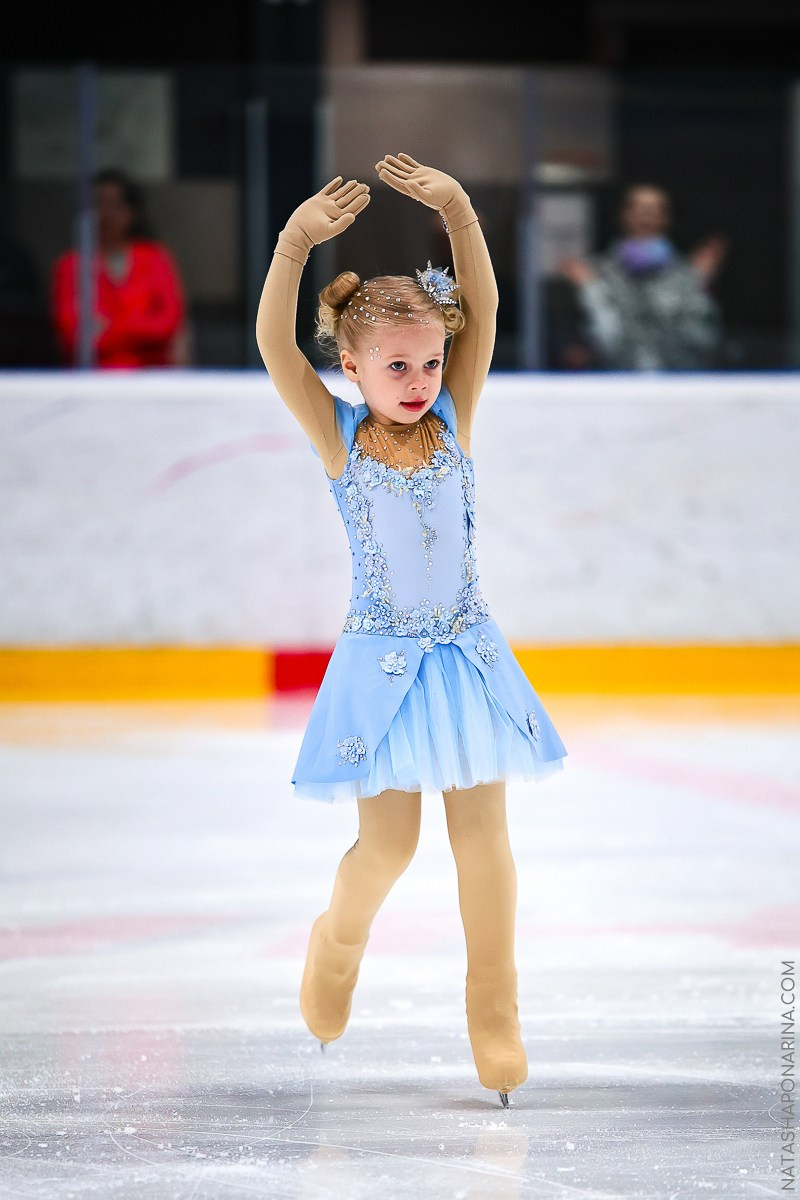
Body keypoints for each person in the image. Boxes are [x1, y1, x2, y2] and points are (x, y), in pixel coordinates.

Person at [255, 154, 568, 1107]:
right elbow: (275, 345)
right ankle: (334, 947)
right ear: (350, 367)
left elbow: (485, 308)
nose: (420, 378)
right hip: (381, 662)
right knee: (388, 848)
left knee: (484, 842)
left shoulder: (458, 417)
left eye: (431, 360)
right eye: (397, 364)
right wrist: (296, 242)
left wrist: (462, 214)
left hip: (468, 658)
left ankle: (495, 1015)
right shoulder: (339, 436)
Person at [558, 183, 726, 371]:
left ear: (666, 218)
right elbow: (606, 344)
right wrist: (591, 289)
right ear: (623, 214)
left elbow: (702, 341)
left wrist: (697, 284)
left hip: (676, 386)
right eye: (637, 207)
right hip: (617, 386)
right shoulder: (596, 274)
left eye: (654, 209)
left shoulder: (687, 275)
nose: (646, 215)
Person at [51, 168, 186, 368]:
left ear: (131, 211)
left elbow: (167, 325)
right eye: (99, 205)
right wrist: (141, 326)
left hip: (152, 380)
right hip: (93, 382)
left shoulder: (155, 258)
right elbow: (75, 337)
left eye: (115, 205)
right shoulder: (71, 265)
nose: (107, 214)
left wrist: (109, 326)